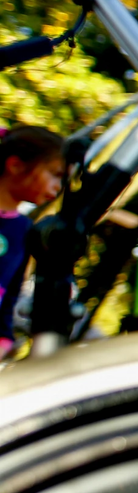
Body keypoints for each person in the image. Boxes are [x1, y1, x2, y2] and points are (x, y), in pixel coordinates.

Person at [0, 126, 64, 356]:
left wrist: (4, 340)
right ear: (15, 165)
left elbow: (10, 293)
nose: (58, 187)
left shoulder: (24, 230)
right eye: (55, 174)